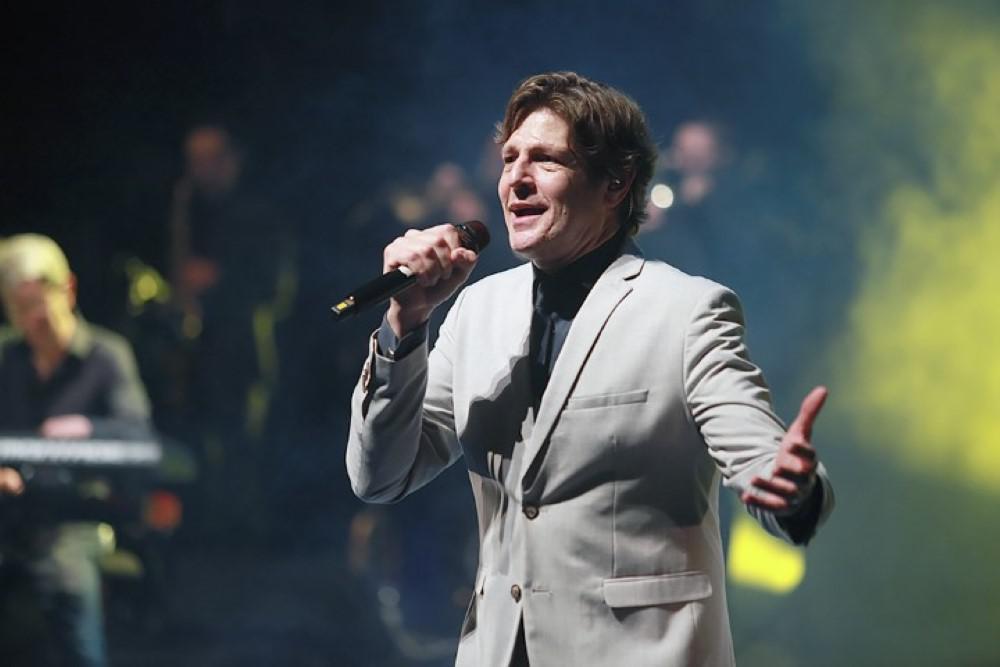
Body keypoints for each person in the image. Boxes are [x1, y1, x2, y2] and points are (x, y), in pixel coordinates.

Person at [345, 72, 834, 667]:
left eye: (546, 160)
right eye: (509, 158)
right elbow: (381, 476)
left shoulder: (687, 311)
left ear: (615, 183)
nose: (516, 178)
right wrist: (405, 322)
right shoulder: (476, 309)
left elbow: (761, 459)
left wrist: (791, 489)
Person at [0, 233, 152, 666]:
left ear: (67, 289)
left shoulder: (107, 356)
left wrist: (88, 428)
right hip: (10, 512)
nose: (32, 318)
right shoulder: (6, 358)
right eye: (18, 307)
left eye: (37, 302)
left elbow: (139, 438)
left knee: (65, 580)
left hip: (76, 514)